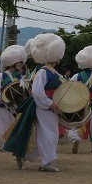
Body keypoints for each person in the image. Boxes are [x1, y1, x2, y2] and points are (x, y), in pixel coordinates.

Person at [30, 33, 67, 172]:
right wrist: (49, 103)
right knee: (48, 134)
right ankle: (46, 162)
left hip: (52, 106)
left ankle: (46, 160)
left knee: (50, 133)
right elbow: (37, 92)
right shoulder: (43, 72)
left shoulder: (53, 72)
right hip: (46, 107)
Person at [0, 45, 27, 150]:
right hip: (2, 104)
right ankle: (3, 144)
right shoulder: (2, 76)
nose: (21, 65)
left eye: (21, 62)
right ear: (13, 63)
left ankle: (12, 143)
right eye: (19, 63)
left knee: (13, 123)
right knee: (3, 123)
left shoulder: (20, 76)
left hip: (14, 103)